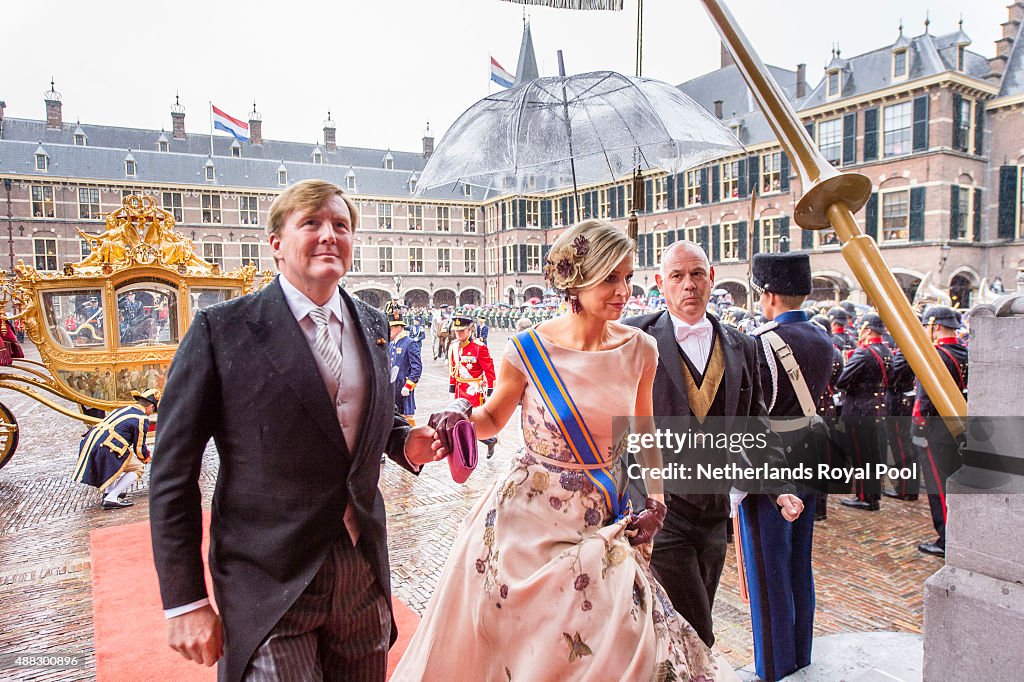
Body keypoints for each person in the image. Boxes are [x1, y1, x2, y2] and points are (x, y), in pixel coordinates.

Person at [392, 220, 735, 681]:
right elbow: (492, 419)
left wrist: (656, 499)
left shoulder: (641, 349)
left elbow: (645, 429)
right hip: (527, 525)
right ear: (577, 279)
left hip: (604, 521)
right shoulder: (528, 348)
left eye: (628, 277)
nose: (624, 290)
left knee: (621, 642)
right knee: (531, 649)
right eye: (610, 278)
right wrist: (456, 412)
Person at [149, 179, 443, 682]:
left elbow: (356, 415)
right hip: (269, 577)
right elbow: (173, 473)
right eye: (311, 223)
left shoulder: (371, 320)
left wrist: (400, 441)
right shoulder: (221, 329)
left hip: (361, 571)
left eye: (341, 226)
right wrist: (185, 601)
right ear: (276, 245)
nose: (329, 235)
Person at [625, 240, 803, 649]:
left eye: (697, 274)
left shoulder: (744, 345)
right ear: (659, 283)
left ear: (711, 278)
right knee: (697, 628)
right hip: (659, 507)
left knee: (694, 608)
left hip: (714, 511)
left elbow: (754, 425)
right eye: (677, 276)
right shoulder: (633, 336)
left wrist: (779, 486)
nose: (689, 284)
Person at [744, 253, 833, 681]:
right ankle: (800, 654)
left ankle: (775, 667)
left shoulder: (764, 341)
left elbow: (752, 413)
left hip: (775, 459)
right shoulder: (821, 336)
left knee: (768, 567)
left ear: (768, 294)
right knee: (800, 563)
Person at [893, 305, 968, 557]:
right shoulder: (963, 352)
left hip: (937, 431)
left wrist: (918, 428)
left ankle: (947, 540)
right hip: (960, 426)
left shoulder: (936, 356)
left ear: (935, 326)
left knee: (939, 487)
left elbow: (923, 401)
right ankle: (958, 534)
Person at [835, 313, 893, 511]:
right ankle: (873, 495)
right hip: (878, 406)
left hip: (859, 409)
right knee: (873, 455)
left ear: (867, 329)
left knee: (861, 455)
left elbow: (842, 380)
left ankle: (864, 497)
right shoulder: (886, 351)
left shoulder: (864, 352)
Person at [72, 388, 159, 509]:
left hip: (91, 443)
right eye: (154, 410)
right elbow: (139, 448)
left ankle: (109, 491)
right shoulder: (141, 418)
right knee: (138, 467)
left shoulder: (124, 409)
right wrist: (147, 457)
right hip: (105, 448)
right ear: (150, 407)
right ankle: (111, 497)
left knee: (116, 461)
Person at [448, 315, 498, 458]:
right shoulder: (454, 347)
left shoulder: (479, 348)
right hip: (459, 390)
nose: (459, 334)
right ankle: (487, 441)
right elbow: (453, 371)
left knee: (469, 423)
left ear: (469, 330)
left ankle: (473, 451)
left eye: (462, 331)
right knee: (461, 422)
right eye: (457, 331)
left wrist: (490, 392)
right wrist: (451, 390)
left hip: (473, 391)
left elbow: (489, 370)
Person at [386, 300, 422, 426]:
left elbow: (416, 367)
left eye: (390, 328)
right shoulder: (391, 344)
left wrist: (409, 385)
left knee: (406, 418)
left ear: (398, 327)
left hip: (403, 387)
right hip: (393, 387)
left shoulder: (409, 343)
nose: (388, 330)